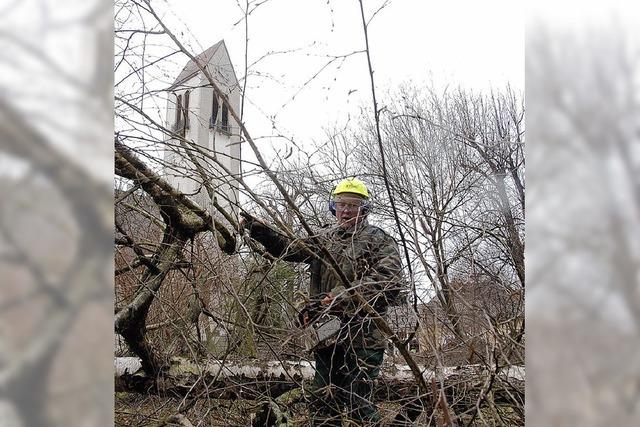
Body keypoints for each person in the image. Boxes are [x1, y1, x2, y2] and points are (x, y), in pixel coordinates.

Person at [239, 177, 404, 426]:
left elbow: (388, 281)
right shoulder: (326, 239)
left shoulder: (379, 240)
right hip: (327, 334)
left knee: (359, 403)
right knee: (324, 402)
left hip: (364, 336)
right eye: (341, 204)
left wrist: (338, 297)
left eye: (353, 204)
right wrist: (260, 230)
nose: (346, 210)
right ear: (333, 207)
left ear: (364, 209)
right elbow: (291, 248)